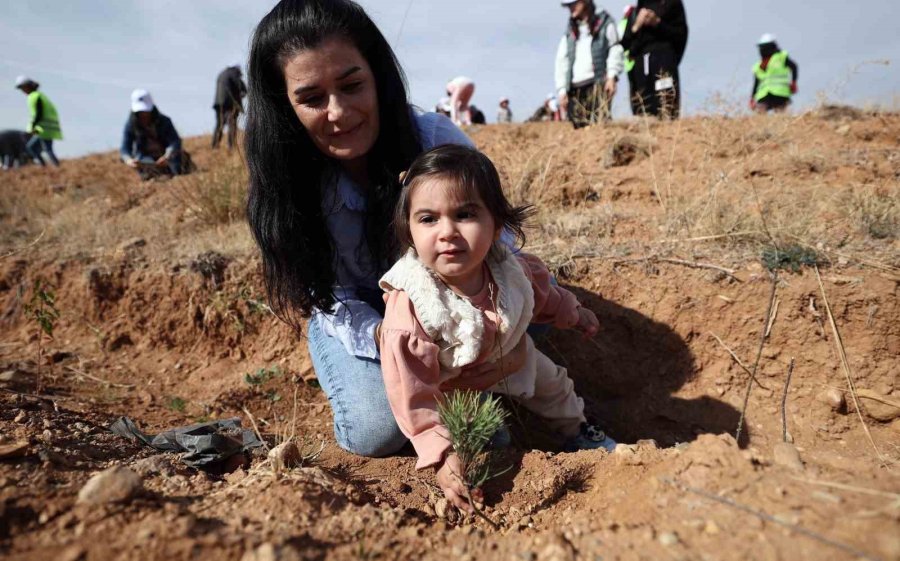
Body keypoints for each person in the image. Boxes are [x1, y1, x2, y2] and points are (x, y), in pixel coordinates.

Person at [245, 0, 530, 460]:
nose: (338, 112)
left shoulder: (433, 140)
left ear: (378, 77)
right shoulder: (290, 185)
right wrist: (396, 344)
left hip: (449, 300)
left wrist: (494, 332)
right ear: (284, 105)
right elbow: (330, 295)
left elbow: (498, 242)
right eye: (312, 98)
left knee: (539, 296)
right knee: (376, 430)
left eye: (352, 85)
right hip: (358, 315)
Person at [379, 145, 617, 511]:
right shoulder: (414, 305)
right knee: (488, 441)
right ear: (408, 231)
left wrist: (574, 312)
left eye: (465, 214)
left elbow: (544, 295)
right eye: (428, 219)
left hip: (512, 356)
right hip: (451, 384)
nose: (447, 232)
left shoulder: (511, 270)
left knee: (555, 385)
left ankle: (577, 431)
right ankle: (476, 455)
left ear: (498, 225)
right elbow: (412, 392)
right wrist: (439, 453)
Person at [554, 0, 624, 129]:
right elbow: (562, 61)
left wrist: (612, 76)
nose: (570, 8)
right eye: (568, 5)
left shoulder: (605, 22)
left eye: (573, 4)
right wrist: (562, 90)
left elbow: (615, 49)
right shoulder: (570, 31)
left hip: (598, 84)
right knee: (579, 132)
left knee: (601, 126)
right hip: (575, 89)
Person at [619, 0, 688, 118]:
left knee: (666, 108)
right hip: (640, 69)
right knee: (643, 111)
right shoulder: (636, 11)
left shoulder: (673, 4)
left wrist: (657, 23)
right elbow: (624, 44)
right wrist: (636, 25)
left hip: (664, 63)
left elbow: (680, 35)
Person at [120, 89, 187, 181]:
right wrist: (128, 160)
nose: (144, 115)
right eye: (140, 112)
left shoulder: (165, 121)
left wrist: (167, 156)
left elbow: (175, 142)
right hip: (145, 160)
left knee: (179, 162)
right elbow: (125, 148)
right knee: (147, 172)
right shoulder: (131, 125)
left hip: (167, 158)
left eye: (145, 111)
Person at [14, 76, 62, 167]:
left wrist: (33, 127)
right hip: (45, 127)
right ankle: (45, 166)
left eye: (22, 88)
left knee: (46, 149)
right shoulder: (39, 95)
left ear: (28, 86)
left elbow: (38, 114)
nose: (22, 91)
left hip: (44, 128)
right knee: (33, 147)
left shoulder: (34, 96)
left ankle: (54, 167)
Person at [750, 34, 798, 113]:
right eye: (762, 47)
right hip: (764, 95)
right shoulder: (757, 66)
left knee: (780, 117)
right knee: (760, 116)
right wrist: (752, 98)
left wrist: (794, 82)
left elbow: (794, 67)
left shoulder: (781, 57)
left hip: (780, 93)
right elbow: (756, 83)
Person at [212, 64, 247, 150]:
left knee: (219, 125)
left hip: (218, 103)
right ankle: (231, 146)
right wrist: (242, 93)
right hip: (229, 104)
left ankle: (215, 146)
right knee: (232, 124)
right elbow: (241, 86)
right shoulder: (234, 73)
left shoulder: (222, 74)